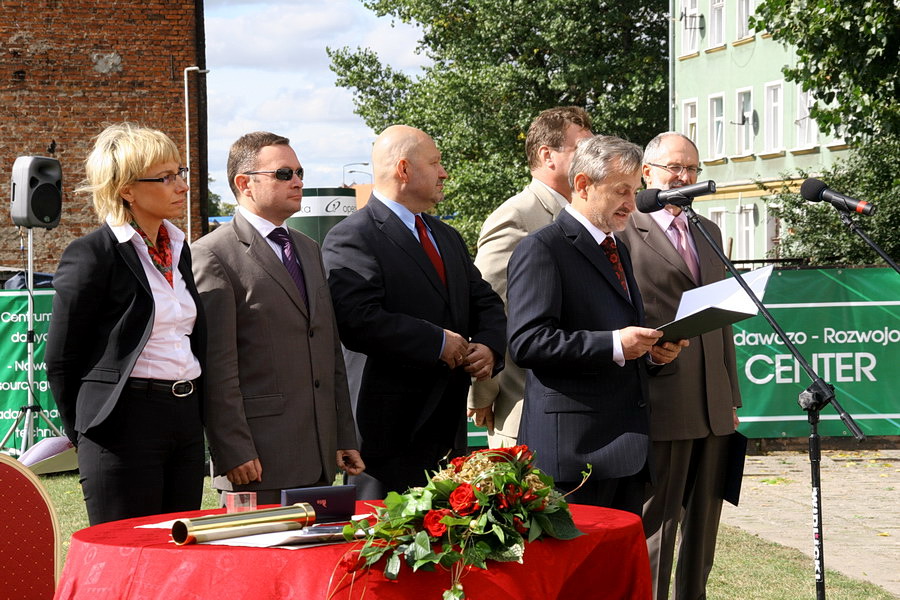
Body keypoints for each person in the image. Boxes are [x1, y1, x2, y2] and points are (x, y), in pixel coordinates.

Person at [322, 125, 507, 499]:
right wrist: (436, 341)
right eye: (436, 163)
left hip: (447, 438)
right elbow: (357, 320)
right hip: (386, 442)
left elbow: (485, 302)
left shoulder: (446, 236)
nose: (444, 173)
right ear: (404, 169)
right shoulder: (352, 236)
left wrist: (488, 346)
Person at [506, 135, 687, 515]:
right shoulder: (542, 248)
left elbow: (619, 330)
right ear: (584, 184)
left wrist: (651, 354)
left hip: (625, 452)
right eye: (622, 190)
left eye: (635, 191)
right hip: (573, 458)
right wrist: (616, 344)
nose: (631, 203)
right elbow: (528, 342)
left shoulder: (616, 246)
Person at [191, 131, 363, 505]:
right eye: (284, 174)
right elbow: (218, 365)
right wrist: (232, 449)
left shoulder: (308, 249)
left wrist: (344, 436)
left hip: (319, 456)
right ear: (245, 183)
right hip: (258, 463)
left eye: (300, 172)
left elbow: (329, 349)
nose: (298, 181)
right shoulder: (212, 254)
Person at [46, 123, 206, 525]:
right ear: (127, 190)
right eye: (166, 177)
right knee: (129, 557)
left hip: (184, 420)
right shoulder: (92, 255)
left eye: (180, 173)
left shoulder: (180, 249)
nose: (181, 186)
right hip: (121, 424)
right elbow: (62, 360)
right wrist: (85, 433)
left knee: (179, 555)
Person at [618, 131, 742, 600]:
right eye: (673, 167)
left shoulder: (707, 230)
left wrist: (731, 397)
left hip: (713, 404)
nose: (683, 177)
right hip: (661, 397)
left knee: (705, 528)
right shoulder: (625, 229)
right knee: (659, 528)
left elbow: (723, 320)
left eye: (691, 168)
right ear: (646, 173)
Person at [467, 106, 593, 448]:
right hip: (526, 411)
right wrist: (484, 392)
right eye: (582, 148)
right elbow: (490, 308)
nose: (592, 158)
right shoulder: (517, 215)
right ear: (547, 155)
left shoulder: (587, 216)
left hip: (583, 409)